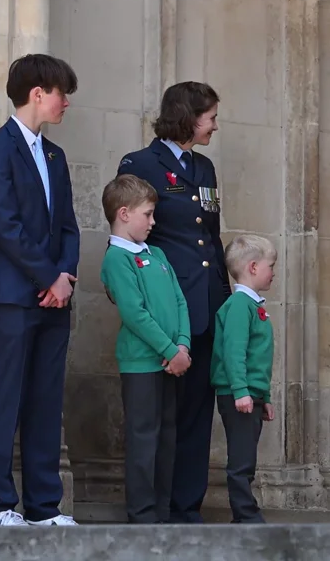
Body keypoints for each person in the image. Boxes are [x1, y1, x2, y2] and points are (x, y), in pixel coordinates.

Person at [0, 53, 81, 527]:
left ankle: (43, 507)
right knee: (6, 398)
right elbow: (4, 225)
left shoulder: (56, 157)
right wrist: (49, 278)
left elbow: (71, 228)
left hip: (54, 298)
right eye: (62, 94)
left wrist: (65, 278)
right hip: (12, 295)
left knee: (45, 401)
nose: (66, 104)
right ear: (38, 93)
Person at [115, 82, 225, 523]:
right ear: (188, 115)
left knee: (198, 414)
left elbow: (211, 236)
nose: (216, 125)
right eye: (211, 116)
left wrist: (225, 296)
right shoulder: (141, 164)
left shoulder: (206, 168)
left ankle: (186, 507)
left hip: (208, 302)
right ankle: (152, 509)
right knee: (160, 418)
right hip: (167, 311)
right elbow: (130, 238)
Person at [99, 174, 192, 524]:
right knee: (144, 441)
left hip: (170, 362)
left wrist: (181, 345)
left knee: (167, 440)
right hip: (142, 364)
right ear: (124, 214)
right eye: (148, 215)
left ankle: (162, 512)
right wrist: (170, 349)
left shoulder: (158, 253)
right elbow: (135, 313)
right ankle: (142, 516)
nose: (153, 222)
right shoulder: (117, 260)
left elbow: (179, 301)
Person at [211, 234, 276, 524]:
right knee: (241, 460)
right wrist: (240, 391)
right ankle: (245, 515)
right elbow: (233, 351)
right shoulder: (239, 306)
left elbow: (259, 360)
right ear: (252, 267)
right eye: (270, 266)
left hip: (251, 393)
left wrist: (267, 397)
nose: (272, 273)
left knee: (247, 458)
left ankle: (244, 514)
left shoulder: (252, 306)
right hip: (239, 393)